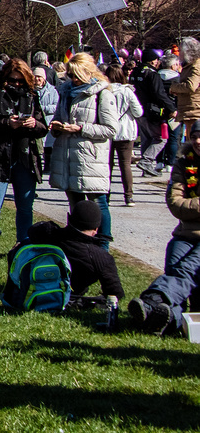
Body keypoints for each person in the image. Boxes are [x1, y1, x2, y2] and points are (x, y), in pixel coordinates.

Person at [0, 59, 49, 262]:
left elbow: (43, 127)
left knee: (25, 206)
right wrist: (6, 123)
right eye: (12, 80)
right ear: (4, 78)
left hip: (23, 157)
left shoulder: (31, 96)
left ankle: (23, 246)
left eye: (20, 81)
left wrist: (33, 124)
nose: (16, 84)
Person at [127, 137, 200, 334]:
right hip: (185, 234)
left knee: (186, 269)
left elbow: (184, 204)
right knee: (175, 259)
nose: (198, 141)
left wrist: (191, 205)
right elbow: (175, 205)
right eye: (194, 137)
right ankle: (166, 318)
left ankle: (152, 302)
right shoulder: (184, 164)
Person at [49, 53, 118, 244]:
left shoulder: (102, 93)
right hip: (68, 156)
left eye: (77, 74)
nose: (73, 79)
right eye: (70, 74)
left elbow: (111, 129)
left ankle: (102, 245)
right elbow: (58, 116)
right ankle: (79, 244)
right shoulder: (65, 92)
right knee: (76, 204)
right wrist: (56, 126)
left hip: (90, 157)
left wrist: (81, 128)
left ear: (88, 72)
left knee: (98, 203)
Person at [14, 199, 124, 302]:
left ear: (71, 220)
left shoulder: (49, 233)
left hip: (34, 288)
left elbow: (32, 230)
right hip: (69, 295)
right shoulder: (101, 257)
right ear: (96, 229)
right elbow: (115, 293)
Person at [103, 64, 143, 207]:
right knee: (125, 164)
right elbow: (138, 112)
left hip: (107, 131)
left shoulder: (103, 91)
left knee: (108, 165)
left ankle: (105, 195)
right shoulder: (127, 92)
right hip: (125, 131)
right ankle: (129, 196)